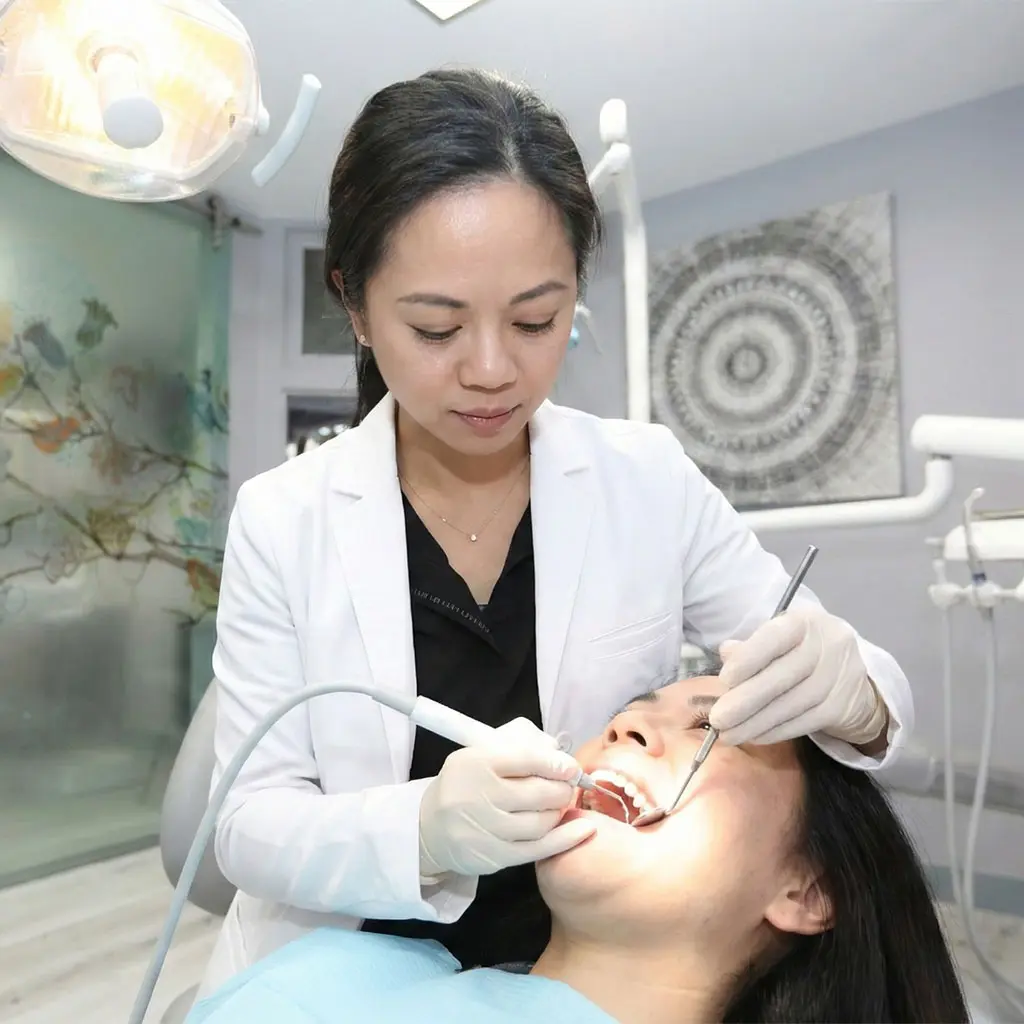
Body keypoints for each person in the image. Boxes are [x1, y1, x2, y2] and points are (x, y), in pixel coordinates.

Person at [201, 66, 914, 992]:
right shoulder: (283, 517)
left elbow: (859, 684)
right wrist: (422, 832)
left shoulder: (644, 480)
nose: (492, 370)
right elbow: (245, 821)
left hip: (584, 975)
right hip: (341, 967)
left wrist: (850, 691)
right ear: (356, 307)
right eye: (437, 328)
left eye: (536, 318)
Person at [188, 671, 967, 1023]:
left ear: (807, 889)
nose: (625, 727)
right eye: (628, 711)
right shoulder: (343, 969)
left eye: (708, 727)